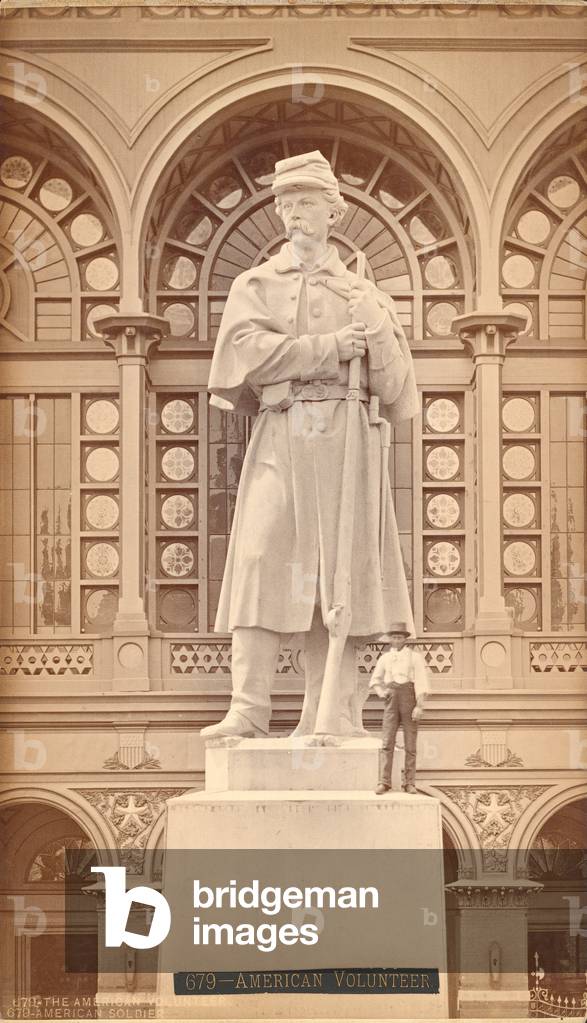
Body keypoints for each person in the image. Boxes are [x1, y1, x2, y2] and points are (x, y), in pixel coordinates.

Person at [201, 151, 419, 740]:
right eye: (286, 203)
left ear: (333, 212)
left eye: (306, 203)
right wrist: (328, 348)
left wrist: (373, 330)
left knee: (335, 576)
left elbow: (400, 394)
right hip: (283, 432)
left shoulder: (363, 293)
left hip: (350, 441)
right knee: (257, 558)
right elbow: (245, 355)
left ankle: (332, 716)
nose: (294, 214)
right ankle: (248, 708)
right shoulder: (257, 285)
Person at [369, 623, 429, 794]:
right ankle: (384, 782)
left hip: (409, 698)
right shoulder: (385, 658)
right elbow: (375, 680)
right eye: (394, 637)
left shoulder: (414, 657)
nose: (397, 640)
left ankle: (409, 782)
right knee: (387, 741)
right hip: (392, 699)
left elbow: (421, 682)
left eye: (400, 637)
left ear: (405, 639)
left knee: (410, 743)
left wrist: (419, 705)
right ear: (390, 639)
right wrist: (381, 692)